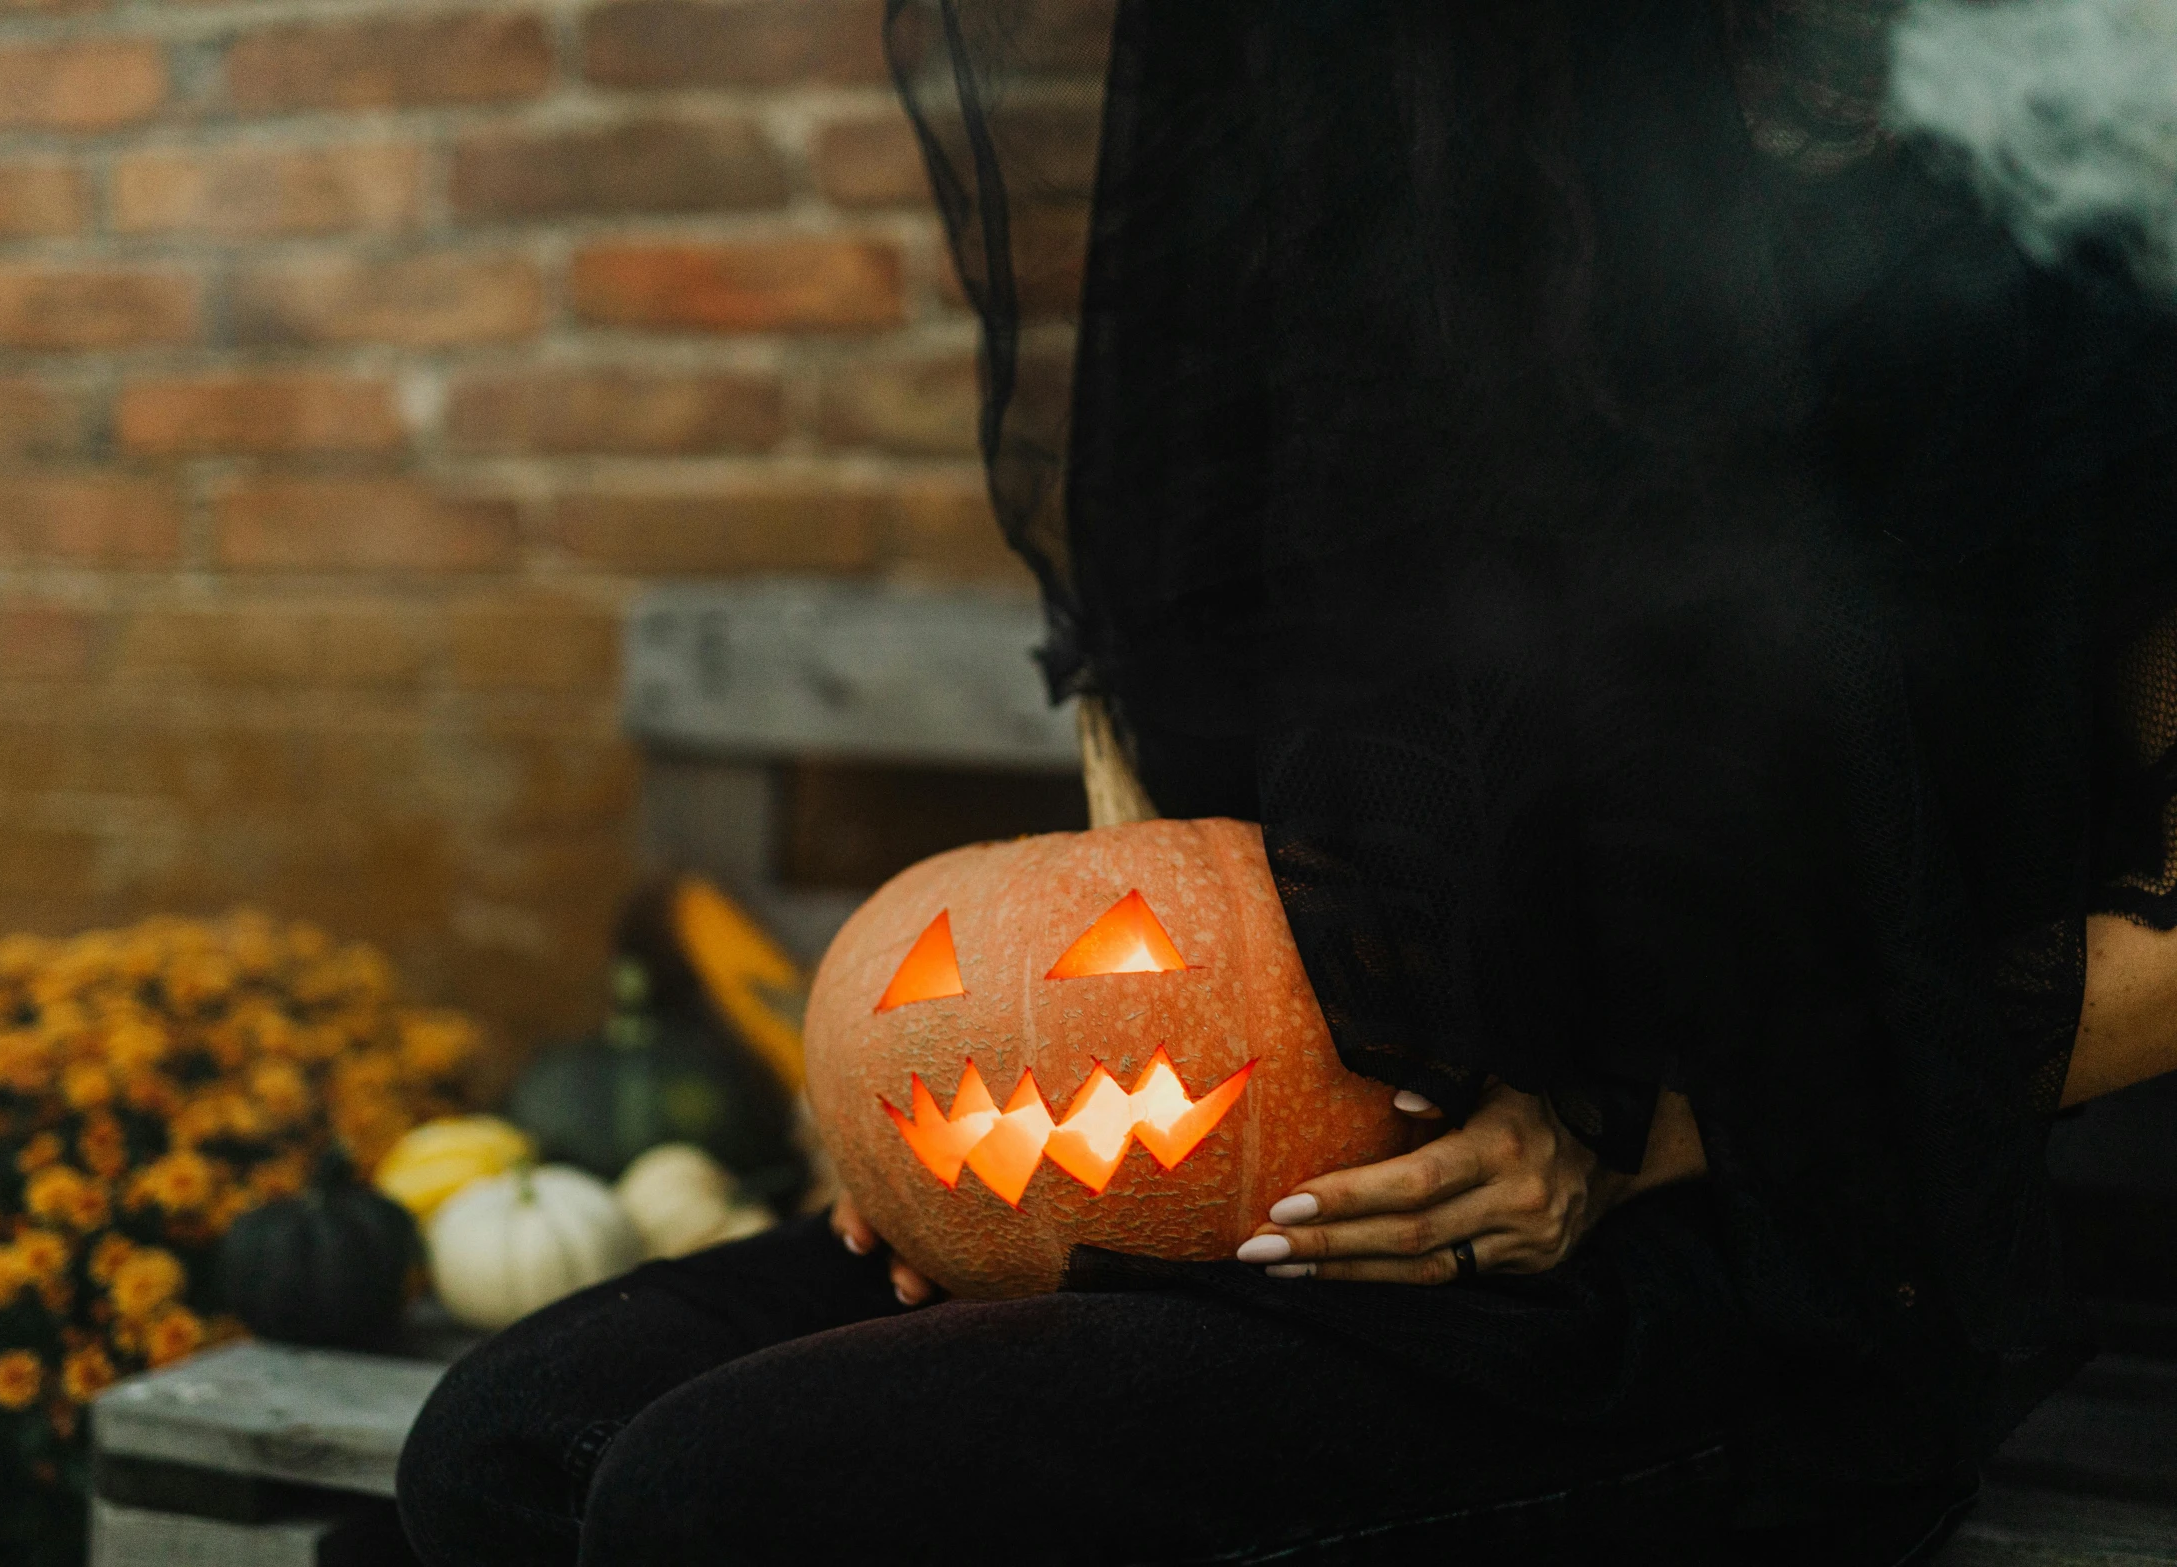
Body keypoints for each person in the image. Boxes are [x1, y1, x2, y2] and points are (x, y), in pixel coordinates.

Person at [397, 1, 2177, 1561]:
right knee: (512, 1447)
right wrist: (942, 1136)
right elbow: (1177, 804)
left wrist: (1637, 1136)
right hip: (1262, 1199)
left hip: (1756, 1247)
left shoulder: (2063, 209)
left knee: (720, 1497)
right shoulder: (1350, 214)